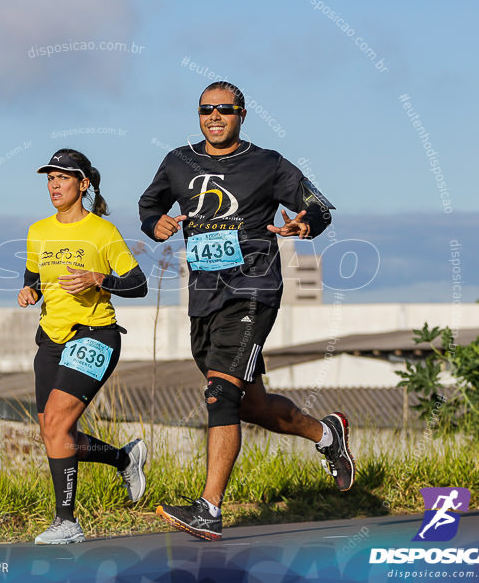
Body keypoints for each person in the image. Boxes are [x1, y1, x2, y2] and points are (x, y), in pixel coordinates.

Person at [138, 82, 355, 541]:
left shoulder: (268, 162)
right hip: (204, 298)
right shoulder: (178, 161)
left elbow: (320, 204)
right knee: (249, 404)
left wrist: (306, 222)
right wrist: (154, 224)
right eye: (205, 110)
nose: (214, 116)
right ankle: (328, 434)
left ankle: (208, 509)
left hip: (253, 289)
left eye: (224, 109)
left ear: (241, 114)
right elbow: (150, 204)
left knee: (219, 395)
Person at [19, 148, 149, 544]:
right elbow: (34, 276)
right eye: (50, 178)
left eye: (62, 177)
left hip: (94, 334)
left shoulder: (102, 232)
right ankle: (123, 458)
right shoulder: (38, 230)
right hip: (51, 338)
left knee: (57, 424)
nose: (54, 185)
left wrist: (100, 278)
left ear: (83, 184)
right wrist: (28, 290)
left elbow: (138, 284)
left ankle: (67, 523)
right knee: (52, 431)